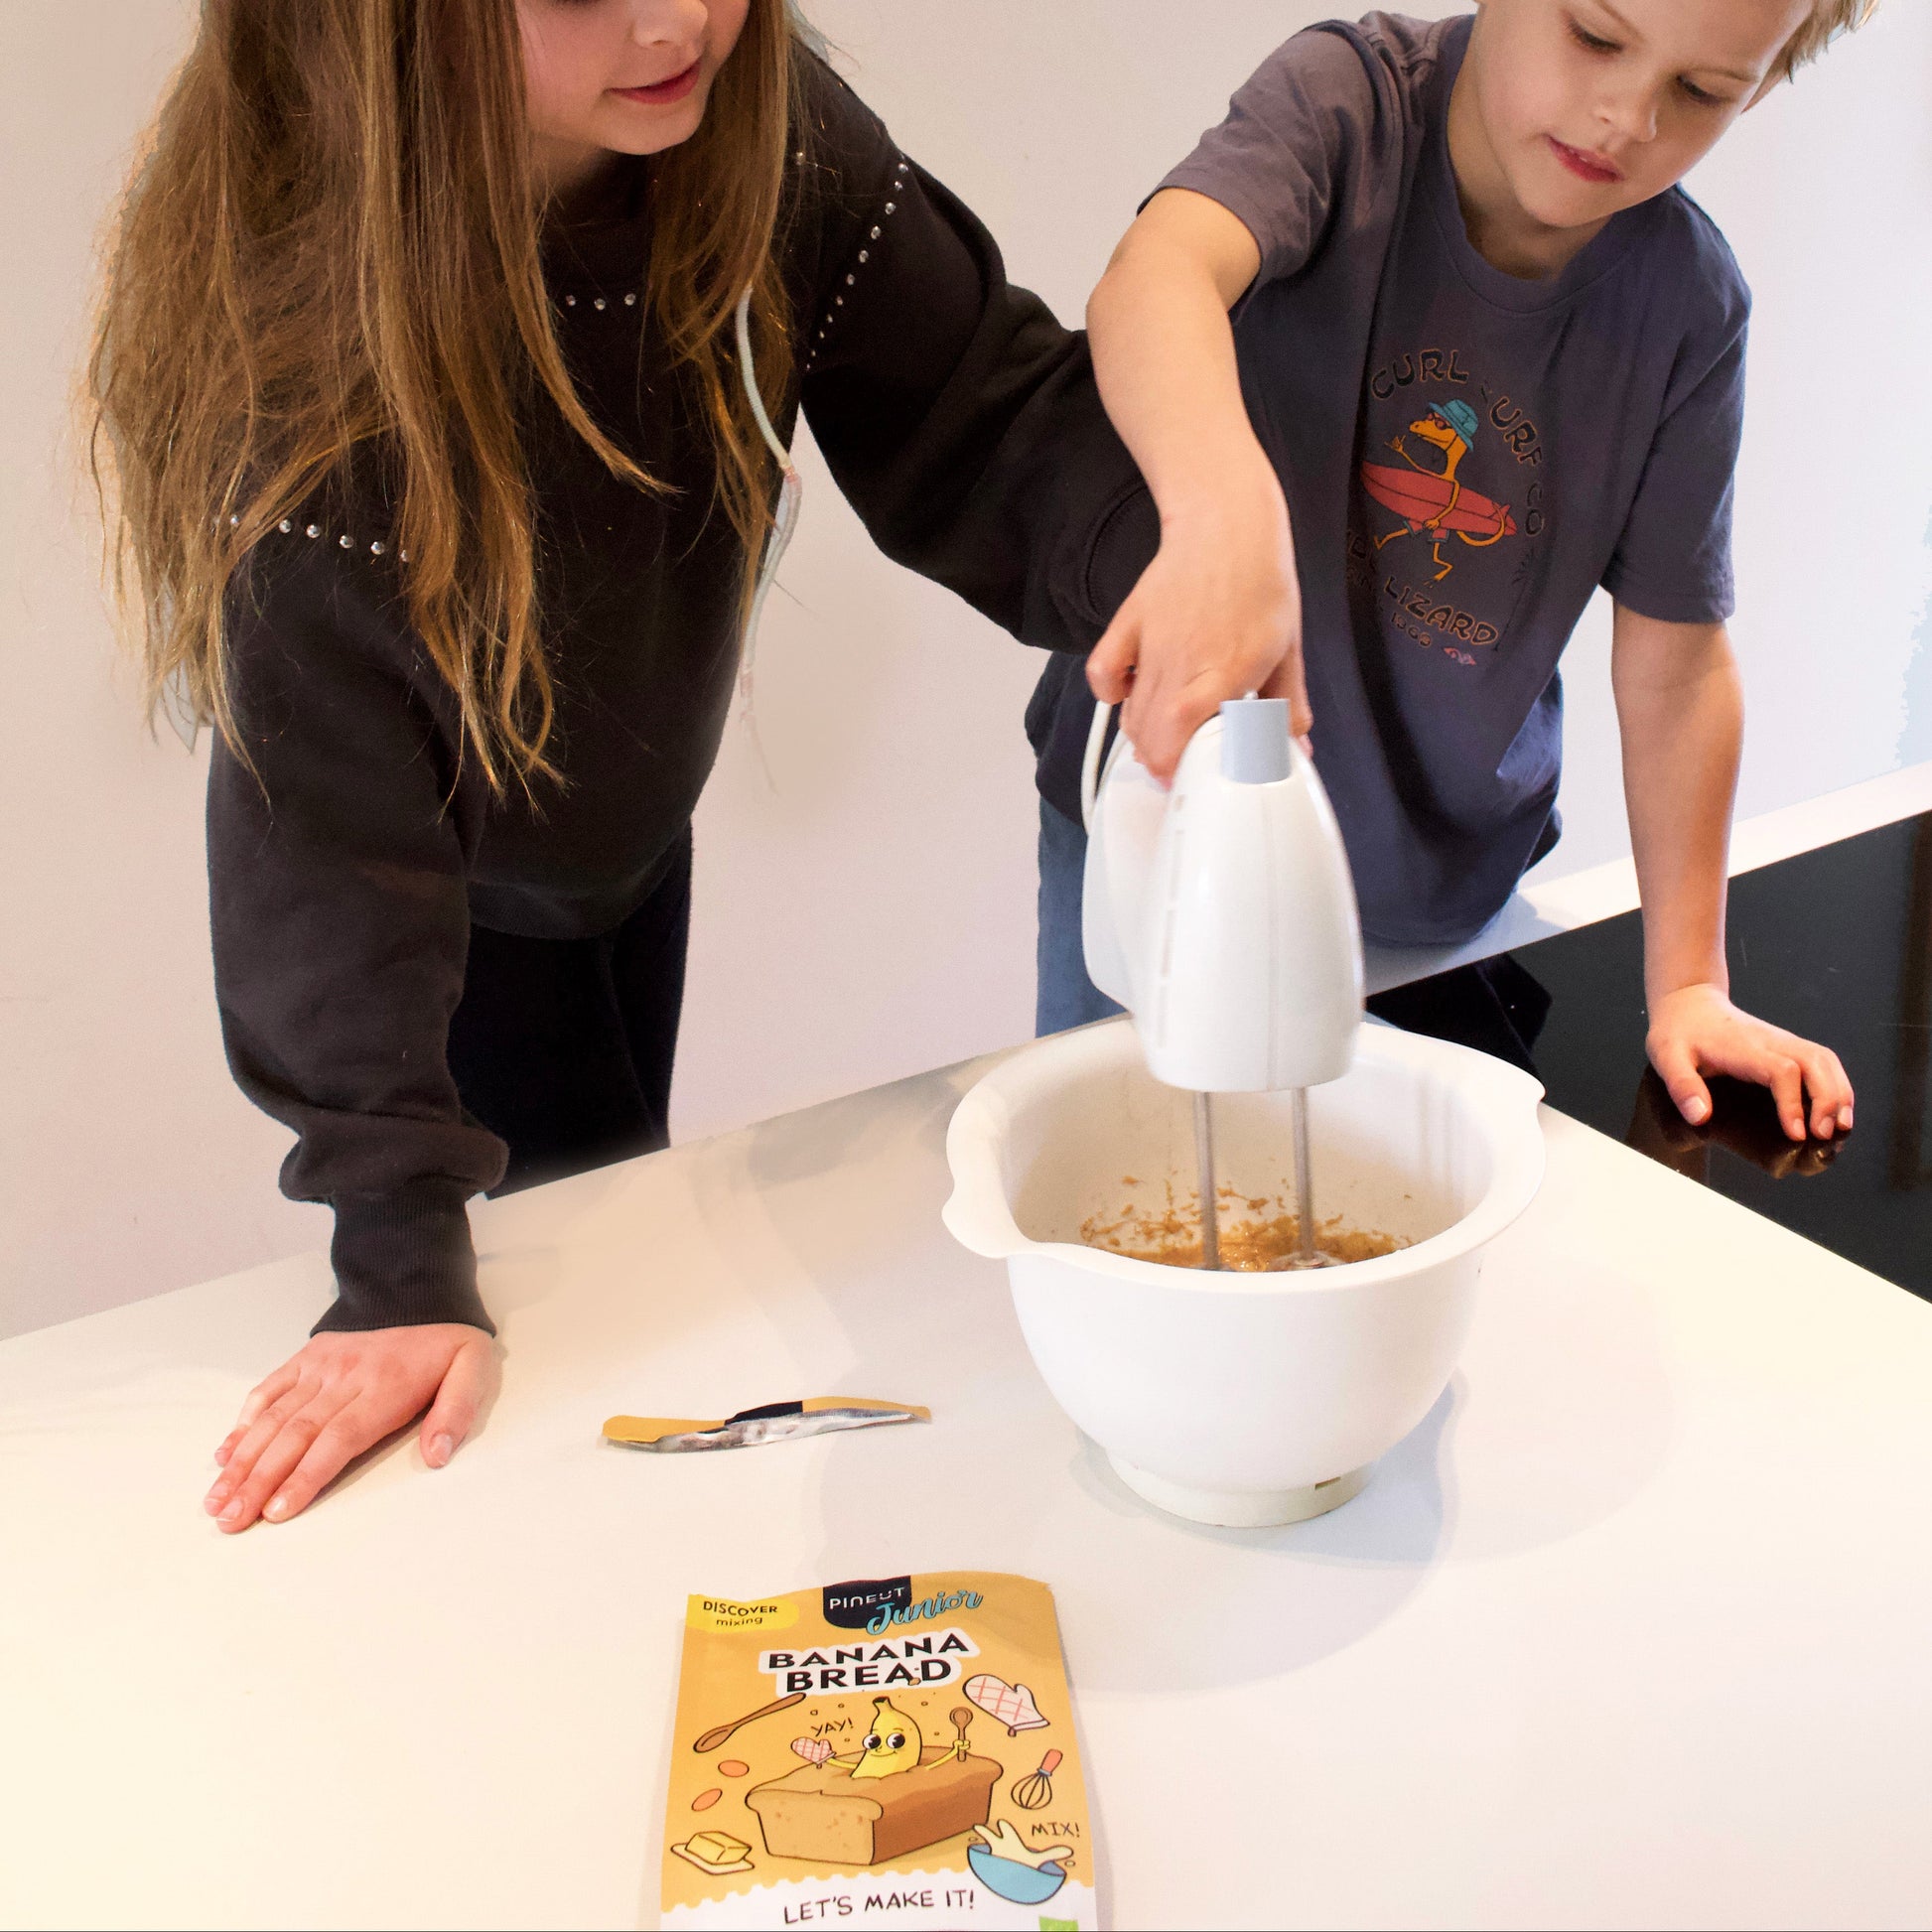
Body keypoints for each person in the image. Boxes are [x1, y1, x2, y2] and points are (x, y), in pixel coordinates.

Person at [89, 0, 1179, 1531]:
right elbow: (329, 854)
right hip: (446, 910)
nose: (676, 19)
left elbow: (980, 419)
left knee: (621, 1234)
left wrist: (1178, 573)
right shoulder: (309, 376)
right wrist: (397, 1263)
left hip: (618, 836)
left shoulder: (757, 131)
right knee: (565, 1375)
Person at [1028, 0, 1866, 1142]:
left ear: (1760, 85)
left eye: (1701, 92)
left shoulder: (1689, 308)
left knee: (1388, 1204)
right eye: (1594, 36)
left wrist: (1687, 982)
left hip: (1432, 885)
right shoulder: (1344, 104)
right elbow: (1153, 276)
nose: (1626, 117)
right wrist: (1222, 511)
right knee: (1130, 1169)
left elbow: (1675, 671)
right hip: (1170, 822)